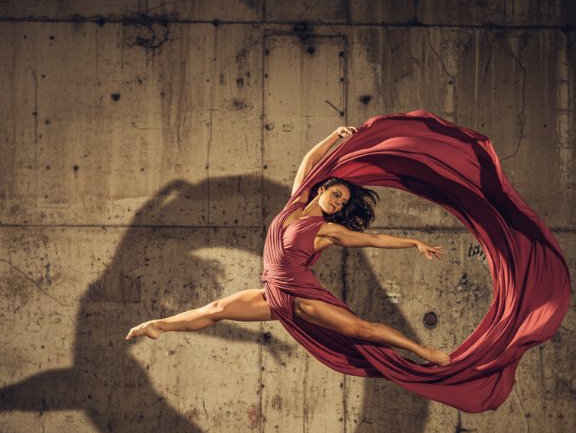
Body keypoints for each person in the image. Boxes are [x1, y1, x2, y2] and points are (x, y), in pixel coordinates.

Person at [125, 125, 451, 366]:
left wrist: (413, 242)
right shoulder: (295, 202)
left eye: (342, 202)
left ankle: (424, 352)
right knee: (216, 310)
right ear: (322, 188)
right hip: (273, 294)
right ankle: (157, 326)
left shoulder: (327, 230)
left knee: (362, 330)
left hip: (301, 295)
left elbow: (374, 239)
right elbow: (308, 162)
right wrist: (335, 135)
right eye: (336, 195)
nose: (338, 203)